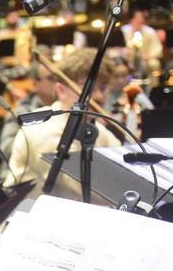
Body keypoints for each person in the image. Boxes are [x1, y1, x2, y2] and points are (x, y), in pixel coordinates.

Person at [7, 49, 121, 185]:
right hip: (31, 206)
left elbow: (124, 163)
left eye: (102, 88)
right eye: (88, 90)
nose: (98, 97)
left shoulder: (96, 128)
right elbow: (80, 186)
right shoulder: (41, 128)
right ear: (61, 90)